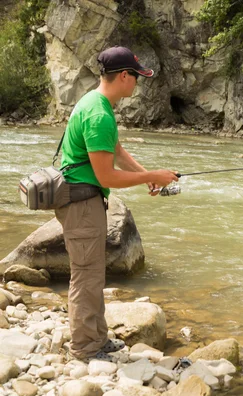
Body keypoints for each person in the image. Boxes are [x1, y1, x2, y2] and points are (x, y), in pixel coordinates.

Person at [55, 46, 178, 361]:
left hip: (85, 200)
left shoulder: (99, 102)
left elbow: (117, 150)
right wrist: (151, 175)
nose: (137, 83)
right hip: (82, 203)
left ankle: (97, 337)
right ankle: (84, 347)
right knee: (85, 274)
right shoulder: (98, 114)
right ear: (124, 76)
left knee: (93, 271)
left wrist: (146, 175)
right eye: (136, 76)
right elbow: (106, 175)